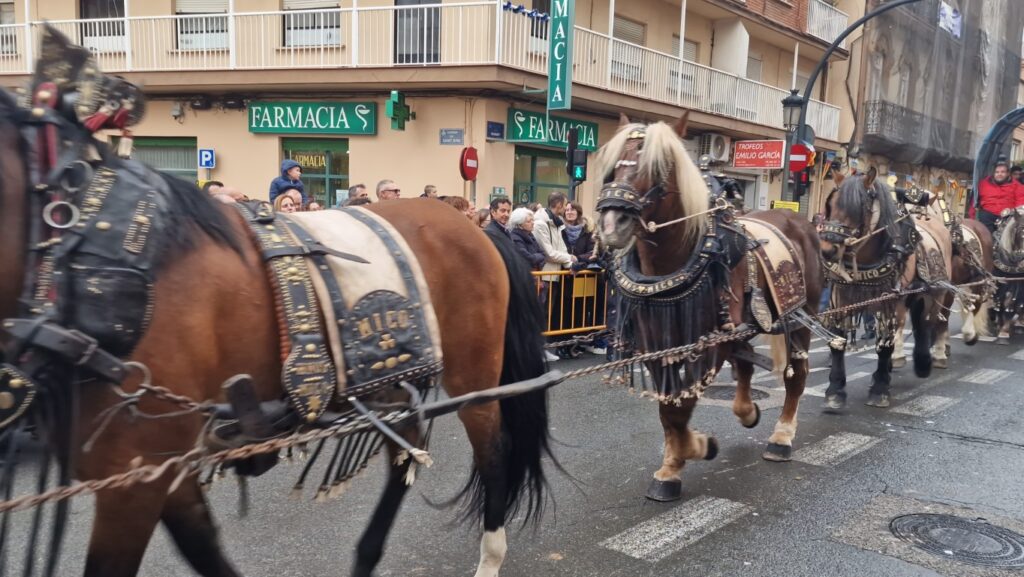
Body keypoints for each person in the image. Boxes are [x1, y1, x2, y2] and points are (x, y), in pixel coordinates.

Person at [508, 207, 558, 361]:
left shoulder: (530, 236)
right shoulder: (515, 237)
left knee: (537, 316)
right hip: (526, 281)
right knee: (527, 317)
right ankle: (530, 352)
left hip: (537, 281)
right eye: (529, 221)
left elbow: (541, 255)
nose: (532, 223)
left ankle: (540, 349)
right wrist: (537, 258)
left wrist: (537, 258)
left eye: (532, 220)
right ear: (520, 223)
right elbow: (526, 257)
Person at [533, 192, 576, 341]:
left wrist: (570, 264)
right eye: (565, 205)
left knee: (548, 313)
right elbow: (549, 253)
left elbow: (562, 248)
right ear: (558, 205)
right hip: (545, 275)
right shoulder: (540, 223)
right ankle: (537, 346)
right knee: (541, 312)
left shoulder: (556, 223)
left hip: (554, 274)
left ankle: (543, 346)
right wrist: (569, 258)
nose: (565, 209)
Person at [974, 159, 1024, 232]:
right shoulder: (983, 184)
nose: (999, 174)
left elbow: (1020, 203)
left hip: (1007, 216)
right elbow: (975, 200)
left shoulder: (1017, 186)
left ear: (1008, 173)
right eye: (997, 172)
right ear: (993, 173)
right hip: (988, 215)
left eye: (1002, 172)